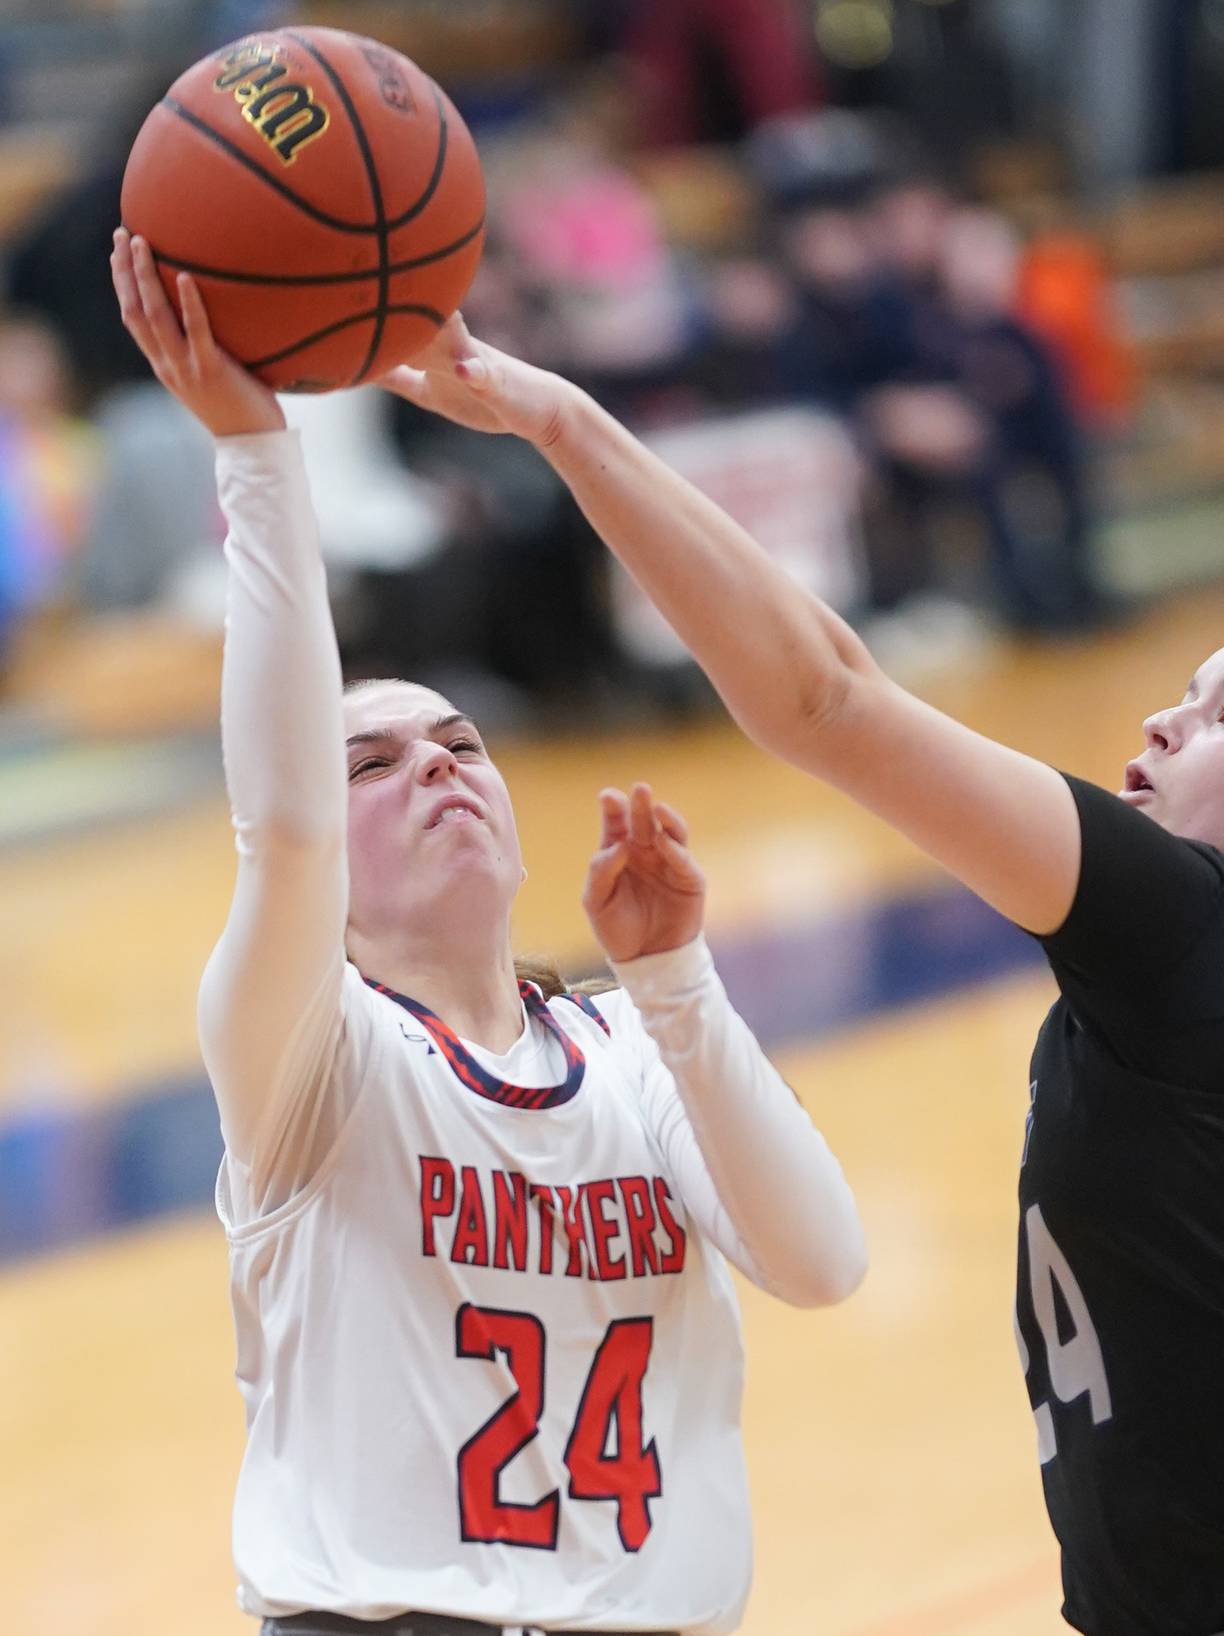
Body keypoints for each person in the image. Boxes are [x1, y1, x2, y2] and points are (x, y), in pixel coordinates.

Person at [385, 316, 1224, 1635]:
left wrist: (565, 425)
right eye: (1186, 689)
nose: (1169, 719)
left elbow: (825, 698)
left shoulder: (1219, 932)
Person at [108, 229, 866, 1636]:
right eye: (375, 764)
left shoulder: (639, 1041)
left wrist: (677, 979)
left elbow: (823, 1266)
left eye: (458, 742)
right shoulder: (307, 1060)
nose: (438, 765)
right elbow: (279, 828)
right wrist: (258, 461)